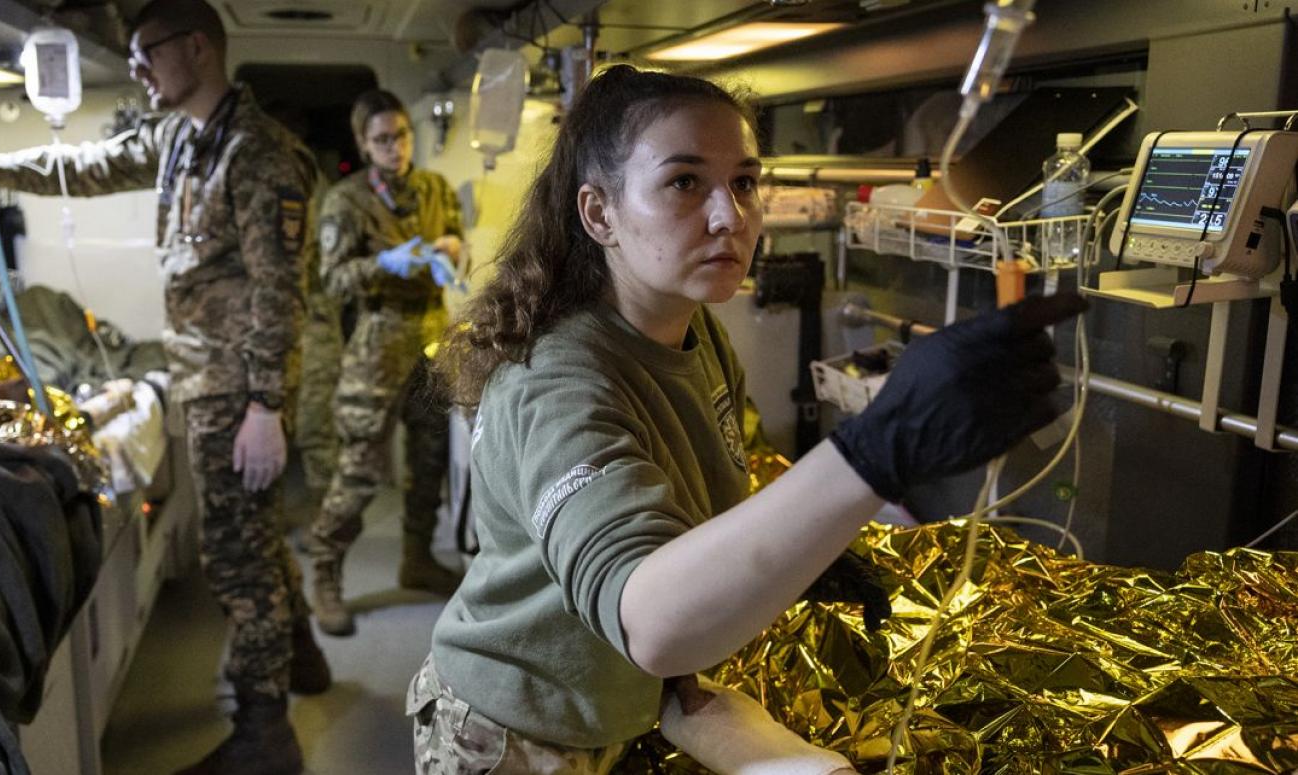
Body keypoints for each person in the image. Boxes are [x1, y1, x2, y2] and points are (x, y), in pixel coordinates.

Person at [414, 65, 1083, 774]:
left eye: (743, 182)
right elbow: (651, 622)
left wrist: (808, 549)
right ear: (600, 213)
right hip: (514, 730)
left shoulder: (691, 328)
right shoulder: (557, 383)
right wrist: (873, 451)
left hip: (615, 707)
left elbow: (715, 483)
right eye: (684, 182)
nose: (730, 216)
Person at [0, 2, 328, 773]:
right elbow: (83, 167)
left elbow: (278, 292)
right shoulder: (180, 137)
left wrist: (265, 407)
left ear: (198, 47)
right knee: (253, 536)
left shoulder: (256, 153)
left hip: (238, 389)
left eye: (147, 52)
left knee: (238, 558)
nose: (135, 70)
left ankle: (266, 736)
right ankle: (304, 657)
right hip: (208, 378)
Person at [305, 89, 465, 636]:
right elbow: (332, 280)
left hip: (432, 340)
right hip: (376, 346)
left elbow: (457, 239)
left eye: (401, 135)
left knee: (429, 462)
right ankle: (325, 574)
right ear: (362, 143)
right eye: (381, 140)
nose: (395, 147)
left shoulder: (435, 188)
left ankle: (416, 560)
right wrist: (385, 264)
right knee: (360, 472)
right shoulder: (346, 201)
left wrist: (453, 250)